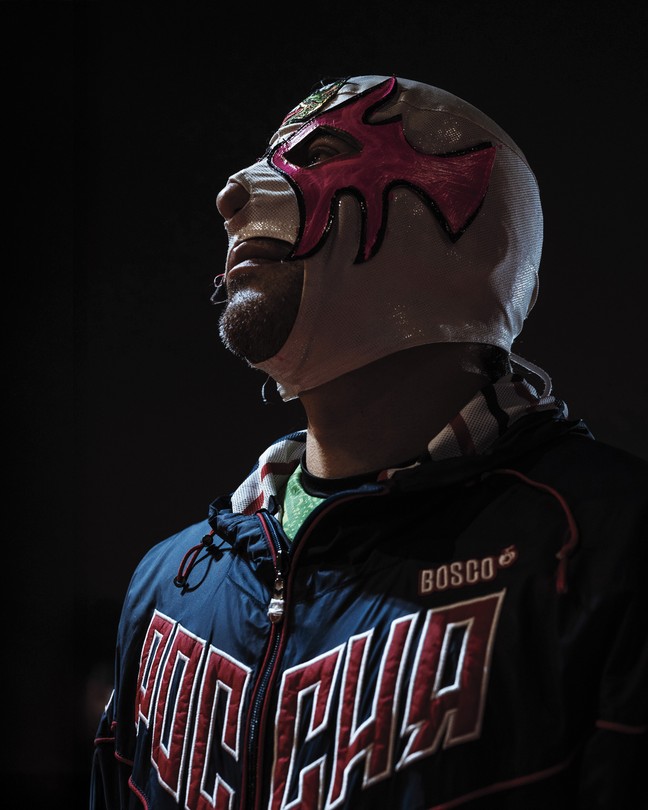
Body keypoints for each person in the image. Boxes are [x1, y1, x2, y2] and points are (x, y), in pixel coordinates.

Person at [90, 75, 647, 809]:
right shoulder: (169, 585)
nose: (231, 199)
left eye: (318, 154)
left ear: (463, 200)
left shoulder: (607, 544)